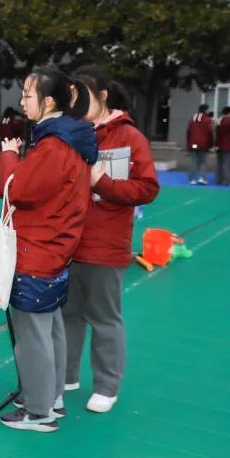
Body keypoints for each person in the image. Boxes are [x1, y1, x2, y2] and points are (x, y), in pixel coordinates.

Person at [0, 66, 96, 432]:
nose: (22, 101)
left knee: (33, 337)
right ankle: (52, 396)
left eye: (28, 95)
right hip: (56, 248)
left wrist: (9, 157)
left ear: (47, 101)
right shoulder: (70, 138)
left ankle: (38, 409)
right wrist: (2, 185)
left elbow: (23, 189)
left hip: (38, 251)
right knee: (51, 329)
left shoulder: (53, 145)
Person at [63, 67, 159, 414]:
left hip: (105, 244)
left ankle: (106, 385)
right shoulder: (68, 133)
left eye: (81, 94)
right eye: (70, 95)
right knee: (68, 313)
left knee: (104, 317)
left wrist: (102, 183)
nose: (75, 101)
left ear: (102, 95)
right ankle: (67, 374)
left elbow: (147, 188)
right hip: (67, 242)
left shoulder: (129, 137)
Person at [186, 104, 212, 185]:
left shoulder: (192, 119)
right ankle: (202, 178)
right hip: (203, 144)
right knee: (202, 161)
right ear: (206, 110)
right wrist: (211, 144)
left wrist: (188, 143)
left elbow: (188, 131)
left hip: (192, 143)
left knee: (193, 161)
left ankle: (192, 179)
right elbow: (210, 132)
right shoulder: (208, 119)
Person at [214, 106, 230, 186]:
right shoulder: (228, 121)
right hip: (227, 145)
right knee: (228, 164)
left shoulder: (219, 120)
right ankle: (228, 181)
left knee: (220, 163)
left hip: (220, 144)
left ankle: (219, 180)